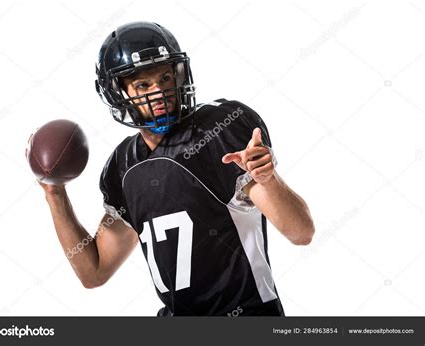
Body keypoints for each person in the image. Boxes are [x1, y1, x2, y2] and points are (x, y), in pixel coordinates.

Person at [40, 21, 315, 316]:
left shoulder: (219, 131)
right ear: (119, 93)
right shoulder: (124, 165)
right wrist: (55, 194)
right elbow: (94, 272)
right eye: (143, 85)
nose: (158, 92)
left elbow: (302, 233)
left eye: (166, 78)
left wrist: (268, 179)